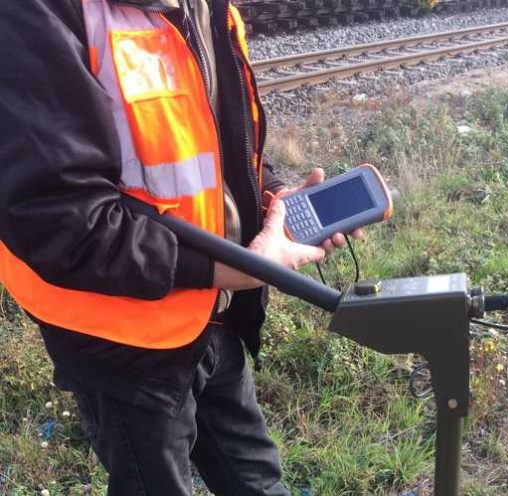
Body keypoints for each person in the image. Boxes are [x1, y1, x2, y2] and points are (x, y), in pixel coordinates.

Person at [0, 1, 359, 494]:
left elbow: (215, 137)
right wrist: (233, 269)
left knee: (256, 479)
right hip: (123, 342)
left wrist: (272, 198)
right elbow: (58, 218)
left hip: (211, 312)